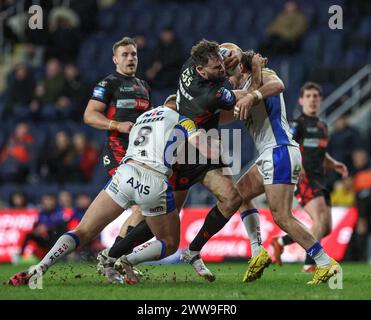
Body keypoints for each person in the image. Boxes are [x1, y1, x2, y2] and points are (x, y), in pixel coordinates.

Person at [98, 40, 266, 283]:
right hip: (187, 147)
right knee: (164, 216)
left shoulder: (194, 61)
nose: (222, 68)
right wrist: (257, 70)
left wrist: (236, 52)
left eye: (221, 63)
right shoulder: (211, 94)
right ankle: (112, 255)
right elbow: (249, 98)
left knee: (232, 198)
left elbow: (227, 48)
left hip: (200, 141)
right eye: (217, 67)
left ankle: (193, 251)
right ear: (201, 70)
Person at [8, 95, 217, 286]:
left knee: (83, 230)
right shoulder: (182, 119)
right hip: (152, 179)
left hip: (125, 174)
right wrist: (215, 153)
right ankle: (126, 259)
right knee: (170, 242)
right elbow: (199, 145)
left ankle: (40, 267)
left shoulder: (144, 117)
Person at [227, 51, 341, 284]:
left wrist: (256, 79)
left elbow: (279, 85)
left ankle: (324, 262)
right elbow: (243, 102)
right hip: (269, 154)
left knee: (281, 216)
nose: (227, 79)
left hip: (279, 151)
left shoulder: (266, 76)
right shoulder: (241, 90)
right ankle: (257, 251)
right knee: (237, 195)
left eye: (230, 73)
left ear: (241, 69)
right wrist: (253, 83)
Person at [83, 37, 152, 271]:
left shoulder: (144, 86)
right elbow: (90, 115)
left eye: (133, 54)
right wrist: (117, 125)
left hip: (139, 155)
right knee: (139, 207)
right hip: (116, 152)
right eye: (125, 55)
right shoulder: (108, 84)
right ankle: (115, 258)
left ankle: (115, 257)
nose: (130, 58)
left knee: (142, 210)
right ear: (115, 59)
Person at [270, 82, 348, 272]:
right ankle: (310, 264)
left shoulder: (322, 125)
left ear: (320, 100)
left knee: (326, 226)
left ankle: (280, 241)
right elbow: (286, 146)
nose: (312, 99)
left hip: (320, 178)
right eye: (309, 96)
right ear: (301, 100)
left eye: (316, 96)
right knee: (320, 220)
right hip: (304, 177)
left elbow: (320, 152)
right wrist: (296, 166)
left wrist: (333, 163)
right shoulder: (298, 124)